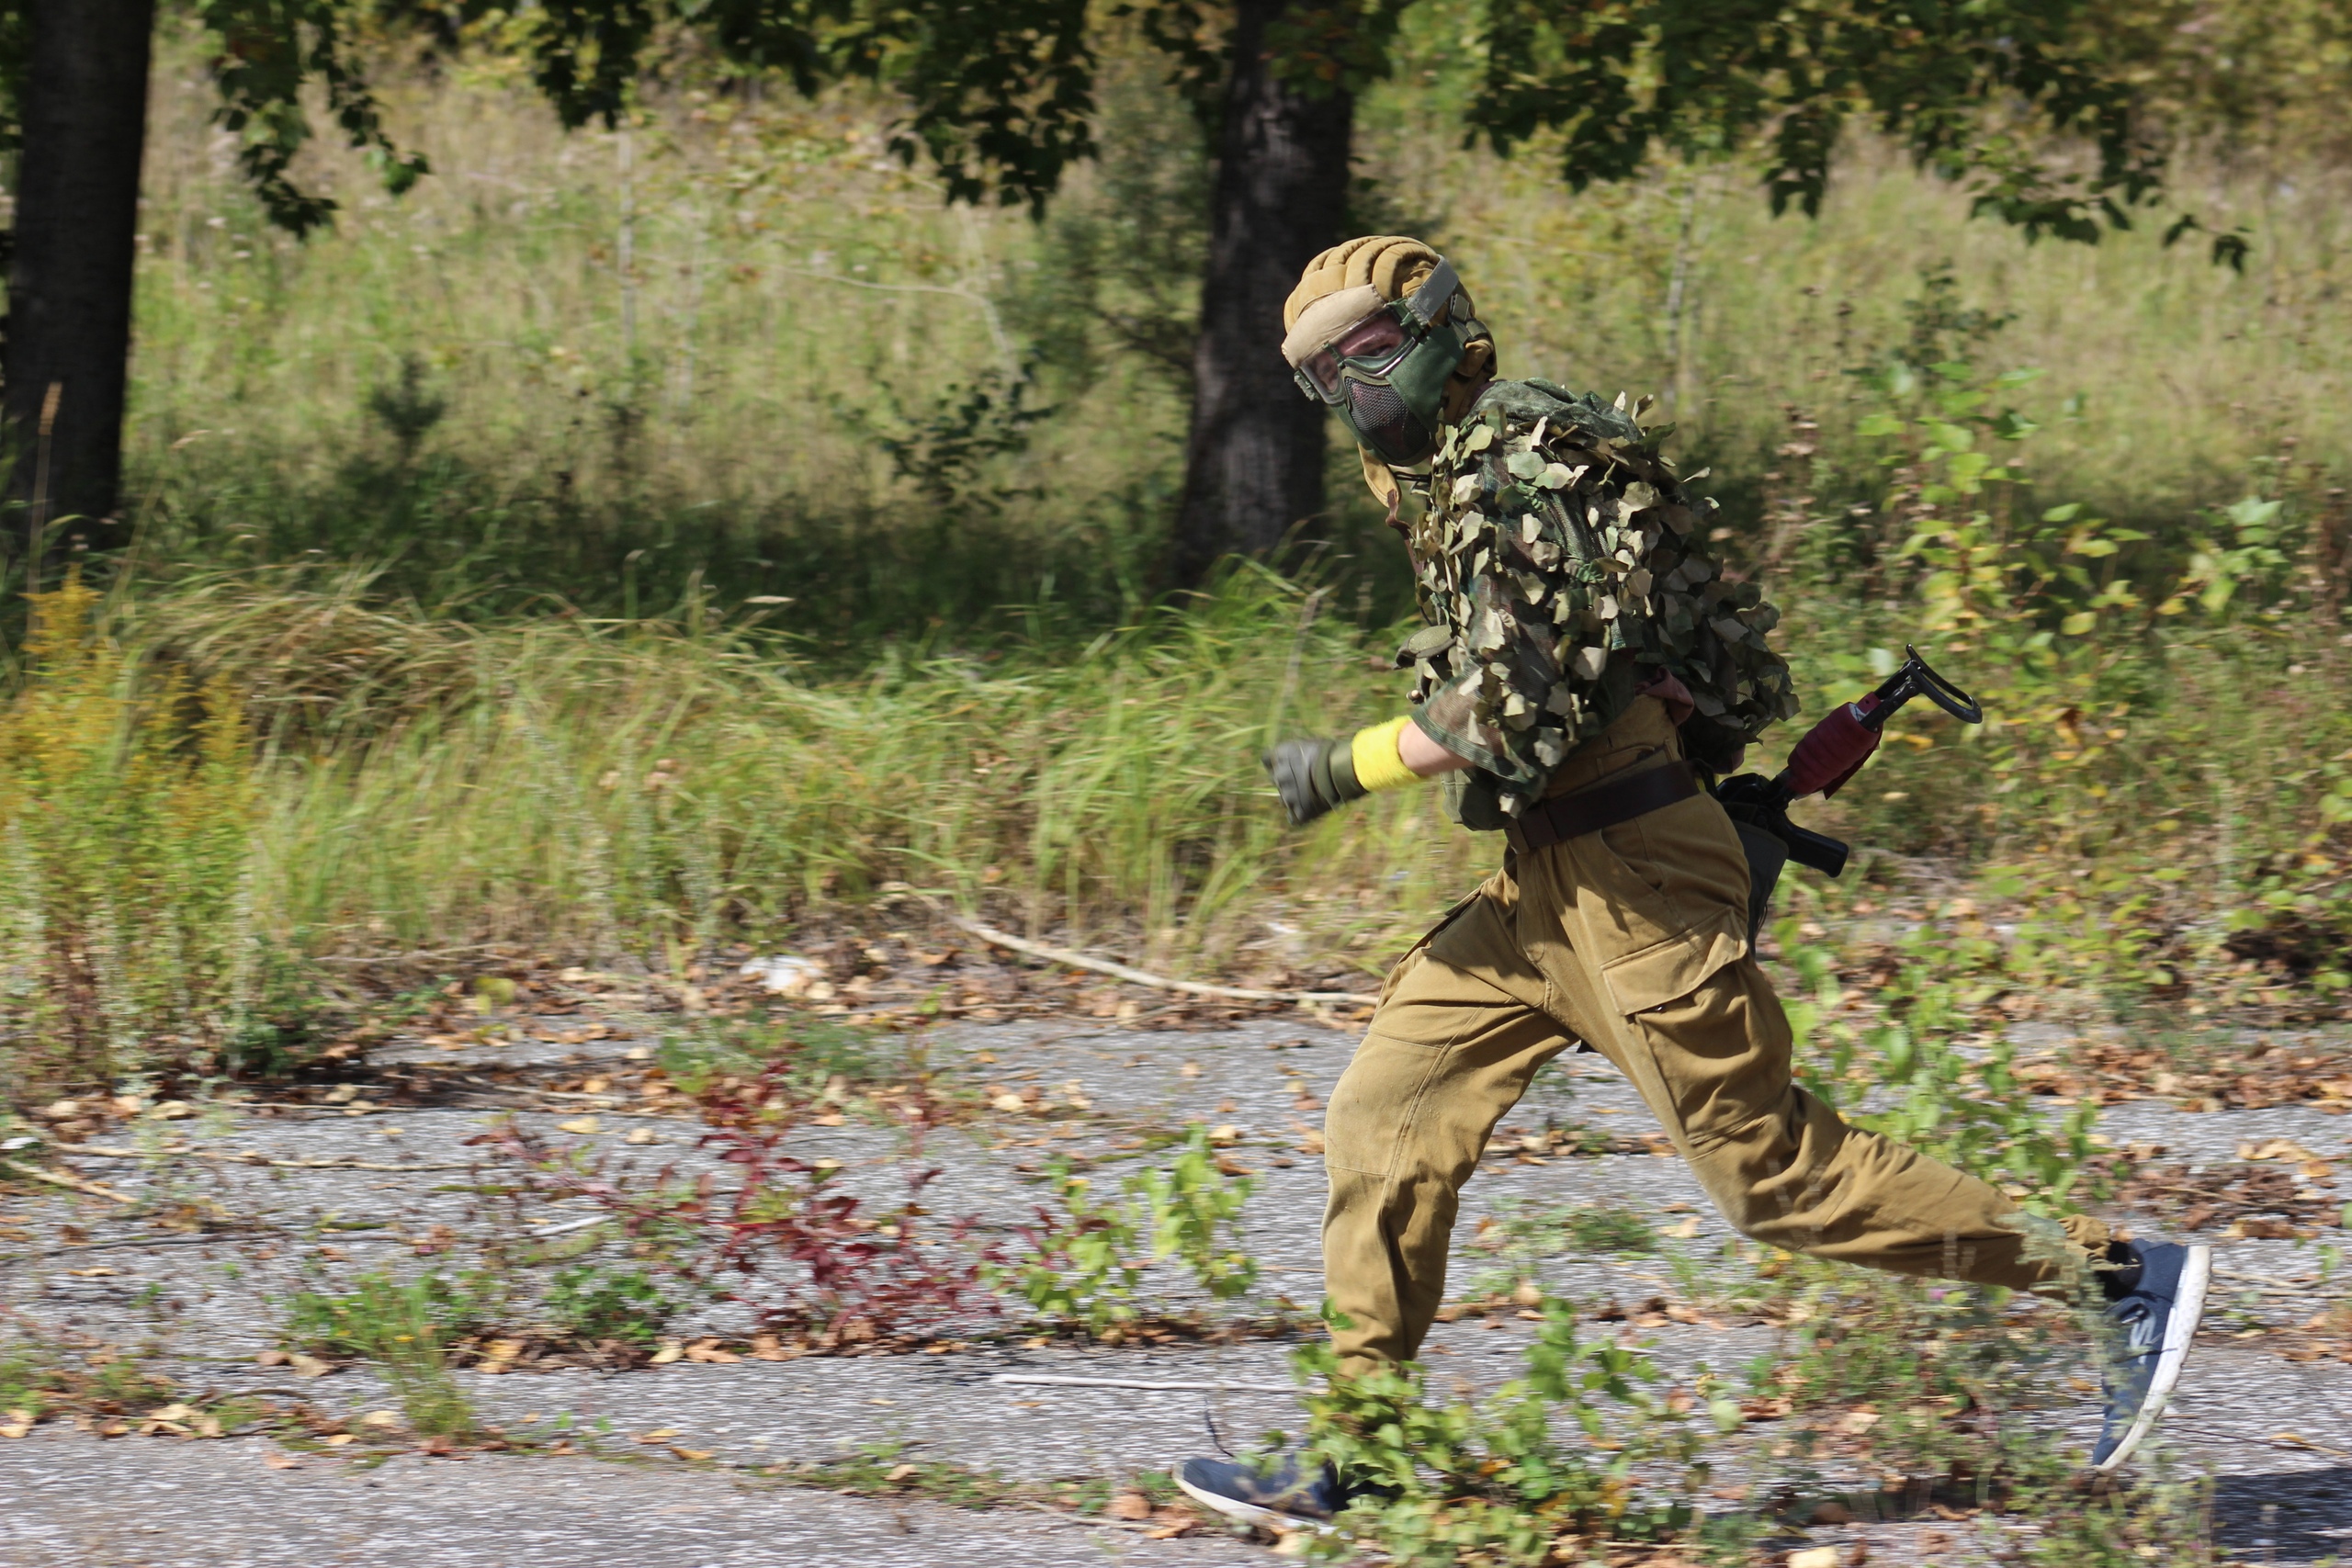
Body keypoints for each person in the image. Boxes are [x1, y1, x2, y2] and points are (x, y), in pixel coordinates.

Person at [1174, 235, 2208, 1532]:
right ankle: (1361, 1454)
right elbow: (1655, 640)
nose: (1354, 390)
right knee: (1386, 1114)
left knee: (1772, 1178)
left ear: (1441, 331)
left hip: (1630, 877)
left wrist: (1345, 766)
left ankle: (2113, 1277)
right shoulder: (1475, 470)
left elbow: (1511, 706)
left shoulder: (1514, 461)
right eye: (1327, 376)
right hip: (1544, 880)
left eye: (1371, 352)